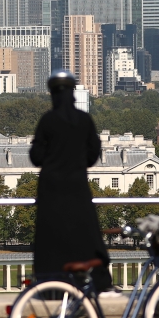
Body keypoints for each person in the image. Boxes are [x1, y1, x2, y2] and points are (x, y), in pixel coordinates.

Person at [29, 70, 115, 293]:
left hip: (51, 190)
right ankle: (98, 283)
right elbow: (93, 154)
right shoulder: (84, 120)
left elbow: (36, 157)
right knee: (86, 236)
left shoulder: (48, 121)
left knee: (51, 240)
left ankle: (50, 286)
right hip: (77, 188)